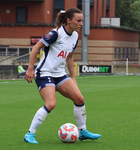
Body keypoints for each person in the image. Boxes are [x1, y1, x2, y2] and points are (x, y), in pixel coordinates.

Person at [23, 7, 101, 144]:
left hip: (60, 74)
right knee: (51, 103)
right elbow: (36, 47)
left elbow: (69, 57)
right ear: (69, 20)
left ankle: (82, 132)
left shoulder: (75, 36)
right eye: (78, 21)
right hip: (44, 73)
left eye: (82, 21)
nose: (81, 24)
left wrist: (73, 77)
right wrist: (30, 69)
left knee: (79, 98)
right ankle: (29, 134)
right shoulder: (56, 34)